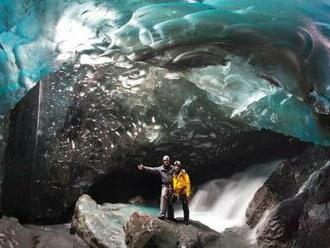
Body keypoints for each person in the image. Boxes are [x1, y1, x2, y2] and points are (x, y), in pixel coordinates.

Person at [137, 155, 174, 220]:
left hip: (172, 186)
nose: (166, 162)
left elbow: (178, 171)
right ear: (163, 161)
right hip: (165, 186)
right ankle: (162, 214)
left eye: (167, 160)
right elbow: (152, 169)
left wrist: (183, 172)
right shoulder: (160, 168)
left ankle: (170, 216)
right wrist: (143, 168)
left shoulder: (173, 168)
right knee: (163, 196)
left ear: (169, 161)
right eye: (165, 160)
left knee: (171, 201)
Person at [172, 160, 191, 225]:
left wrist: (188, 194)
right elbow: (174, 183)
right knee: (170, 203)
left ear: (180, 167)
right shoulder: (174, 174)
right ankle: (170, 216)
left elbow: (188, 184)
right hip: (176, 192)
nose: (176, 167)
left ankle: (186, 220)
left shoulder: (184, 174)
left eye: (177, 166)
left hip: (183, 193)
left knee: (185, 207)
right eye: (175, 166)